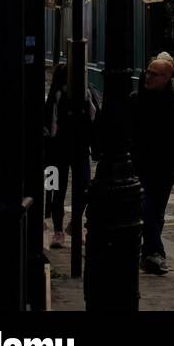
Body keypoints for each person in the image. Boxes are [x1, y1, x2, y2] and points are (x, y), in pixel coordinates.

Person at [129, 57, 174, 274]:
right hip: (140, 166)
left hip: (166, 168)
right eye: (147, 72)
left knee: (156, 210)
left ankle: (147, 254)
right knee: (147, 206)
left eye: (154, 74)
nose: (148, 76)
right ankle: (155, 252)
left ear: (167, 78)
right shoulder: (135, 100)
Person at [43, 62, 100, 249]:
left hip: (81, 150)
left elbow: (95, 121)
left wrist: (95, 147)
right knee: (56, 192)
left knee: (84, 189)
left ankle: (75, 224)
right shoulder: (57, 97)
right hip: (58, 152)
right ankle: (58, 231)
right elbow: (49, 126)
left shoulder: (87, 95)